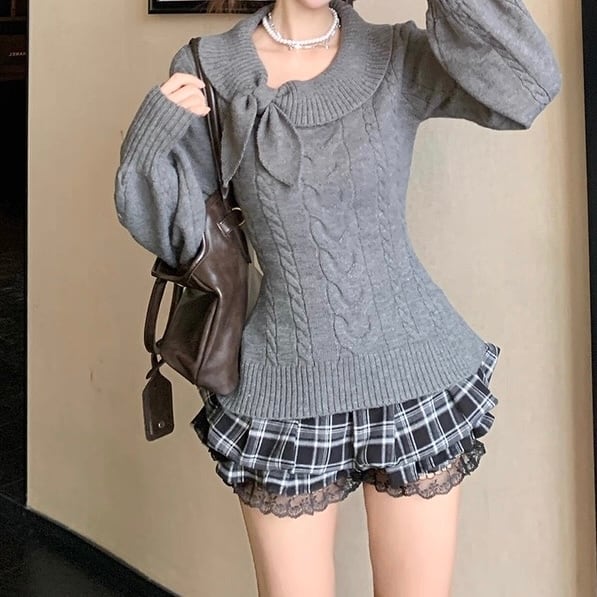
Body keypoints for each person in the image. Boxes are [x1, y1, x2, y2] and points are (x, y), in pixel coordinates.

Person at [114, 0, 561, 595]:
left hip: (412, 375)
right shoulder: (210, 67)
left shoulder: (395, 53)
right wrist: (147, 147)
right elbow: (181, 237)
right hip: (283, 388)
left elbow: (527, 88)